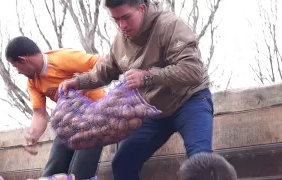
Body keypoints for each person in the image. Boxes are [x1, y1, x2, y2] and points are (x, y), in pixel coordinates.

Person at [59, 0, 214, 179]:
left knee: (201, 163)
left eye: (126, 17)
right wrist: (78, 82)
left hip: (189, 100)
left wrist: (147, 76)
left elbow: (193, 70)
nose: (122, 25)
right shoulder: (120, 40)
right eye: (116, 20)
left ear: (141, 9)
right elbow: (106, 69)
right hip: (155, 111)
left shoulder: (169, 25)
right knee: (122, 162)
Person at [5, 36, 106, 179]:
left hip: (95, 116)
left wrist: (82, 84)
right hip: (69, 122)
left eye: (16, 66)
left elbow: (101, 62)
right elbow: (40, 114)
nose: (18, 71)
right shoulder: (33, 82)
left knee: (78, 174)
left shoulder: (61, 58)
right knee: (52, 173)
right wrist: (33, 136)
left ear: (24, 60)